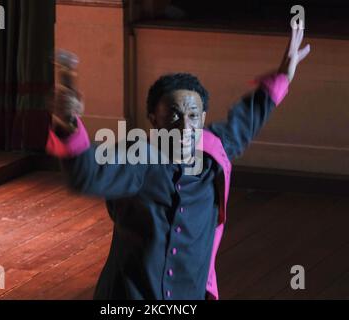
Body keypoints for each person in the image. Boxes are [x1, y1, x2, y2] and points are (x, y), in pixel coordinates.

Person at [46, 27, 310, 300]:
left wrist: (282, 76)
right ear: (153, 118)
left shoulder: (214, 152)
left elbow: (248, 118)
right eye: (173, 115)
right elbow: (86, 175)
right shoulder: (138, 159)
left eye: (193, 115)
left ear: (202, 116)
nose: (185, 126)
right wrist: (67, 123)